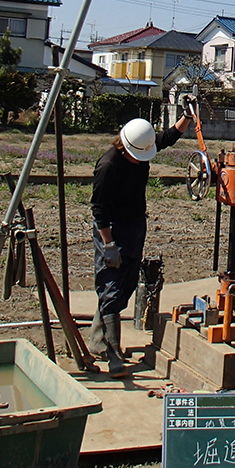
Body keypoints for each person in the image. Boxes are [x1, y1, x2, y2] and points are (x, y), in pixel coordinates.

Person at [89, 102, 194, 377]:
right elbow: (98, 210)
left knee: (124, 287)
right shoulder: (108, 166)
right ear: (125, 147)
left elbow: (168, 138)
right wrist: (108, 245)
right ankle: (113, 354)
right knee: (110, 286)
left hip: (135, 225)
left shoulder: (143, 146)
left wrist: (187, 117)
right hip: (111, 230)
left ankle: (98, 340)